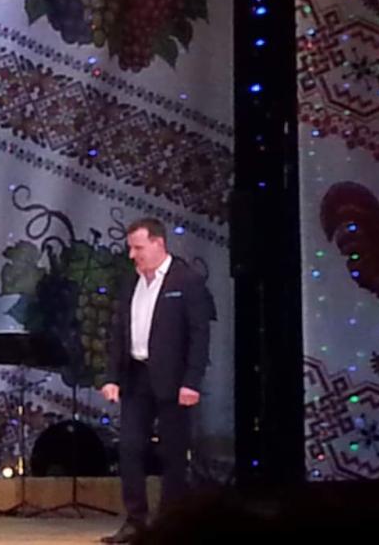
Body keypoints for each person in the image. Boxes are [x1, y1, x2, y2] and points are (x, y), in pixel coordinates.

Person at [99, 218, 212, 544]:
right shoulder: (130, 282)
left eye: (138, 247)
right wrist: (112, 377)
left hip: (174, 379)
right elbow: (119, 332)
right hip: (137, 375)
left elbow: (199, 335)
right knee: (130, 448)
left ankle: (170, 523)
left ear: (158, 244)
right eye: (130, 248)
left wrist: (192, 381)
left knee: (173, 453)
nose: (132, 255)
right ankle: (135, 520)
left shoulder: (186, 280)